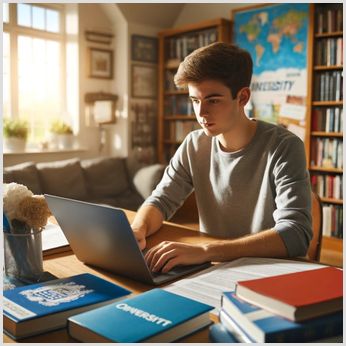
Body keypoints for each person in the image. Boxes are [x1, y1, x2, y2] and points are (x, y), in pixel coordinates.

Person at [131, 42, 312, 273]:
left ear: (243, 97)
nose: (201, 113)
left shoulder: (285, 147)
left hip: (270, 272)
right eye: (195, 101)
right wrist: (138, 228)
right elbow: (161, 201)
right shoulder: (194, 144)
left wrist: (207, 251)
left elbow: (296, 235)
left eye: (213, 100)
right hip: (216, 270)